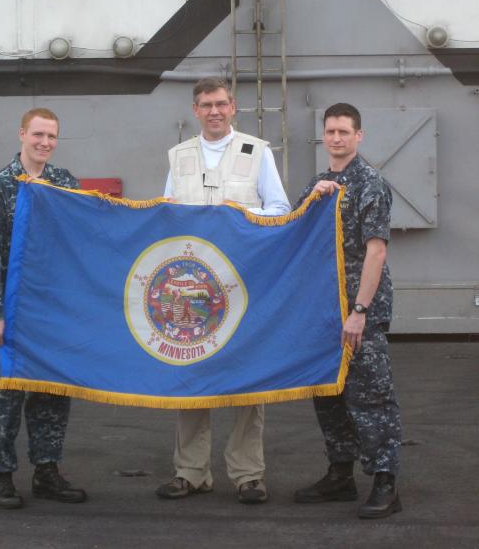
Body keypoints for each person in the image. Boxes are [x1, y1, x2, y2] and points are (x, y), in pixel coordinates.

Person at [155, 77, 291, 505]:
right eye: (205, 105)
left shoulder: (258, 152)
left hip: (242, 283)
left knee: (247, 376)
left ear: (233, 107)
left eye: (220, 103)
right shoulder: (178, 157)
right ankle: (190, 471)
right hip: (194, 287)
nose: (214, 111)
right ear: (195, 110)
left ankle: (248, 473)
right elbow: (165, 216)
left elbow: (280, 210)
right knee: (191, 374)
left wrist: (241, 216)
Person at [0, 108, 87, 509]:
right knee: (3, 396)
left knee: (51, 395)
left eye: (52, 136)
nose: (45, 143)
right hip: (11, 310)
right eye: (38, 134)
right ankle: (0, 475)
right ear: (22, 133)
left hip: (52, 312)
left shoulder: (65, 184)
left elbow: (83, 240)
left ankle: (47, 472)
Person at [293, 102, 402, 519]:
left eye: (344, 131)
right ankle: (340, 473)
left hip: (359, 309)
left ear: (359, 136)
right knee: (330, 393)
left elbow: (376, 252)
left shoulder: (370, 183)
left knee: (371, 396)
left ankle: (386, 482)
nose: (336, 138)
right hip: (323, 308)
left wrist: (360, 310)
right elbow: (292, 233)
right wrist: (310, 203)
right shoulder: (319, 183)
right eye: (330, 131)